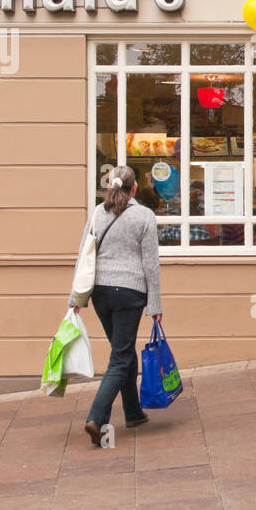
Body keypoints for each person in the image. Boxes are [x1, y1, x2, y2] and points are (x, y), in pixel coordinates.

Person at [69, 165, 164, 446]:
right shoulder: (144, 216)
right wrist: (155, 304)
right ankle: (96, 417)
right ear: (134, 188)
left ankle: (133, 412)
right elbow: (151, 265)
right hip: (130, 292)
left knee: (121, 351)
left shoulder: (99, 212)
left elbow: (84, 255)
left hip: (100, 293)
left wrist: (75, 298)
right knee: (121, 357)